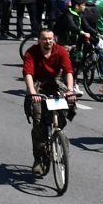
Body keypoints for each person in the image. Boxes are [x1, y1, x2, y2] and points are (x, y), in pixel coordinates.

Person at [21, 27, 76, 173]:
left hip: (55, 83)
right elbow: (28, 73)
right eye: (44, 39)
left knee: (66, 108)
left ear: (54, 39)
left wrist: (70, 90)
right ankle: (38, 159)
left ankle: (58, 135)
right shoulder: (31, 52)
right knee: (38, 123)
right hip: (38, 85)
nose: (48, 41)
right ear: (39, 40)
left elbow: (69, 71)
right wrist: (33, 93)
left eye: (50, 39)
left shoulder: (60, 51)